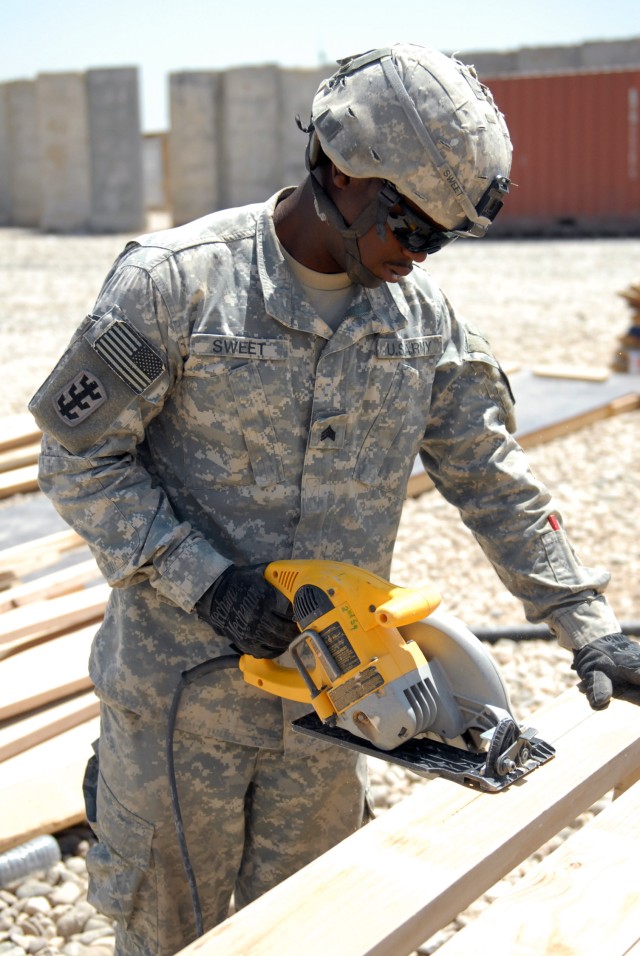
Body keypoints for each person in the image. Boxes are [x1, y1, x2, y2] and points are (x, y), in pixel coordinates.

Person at [29, 43, 640, 956]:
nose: (421, 255)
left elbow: (493, 478)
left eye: (441, 240)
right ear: (343, 170)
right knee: (166, 937)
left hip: (341, 703)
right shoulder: (178, 285)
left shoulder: (420, 320)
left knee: (312, 931)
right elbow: (80, 461)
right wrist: (208, 581)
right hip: (176, 712)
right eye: (411, 227)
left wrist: (587, 625)